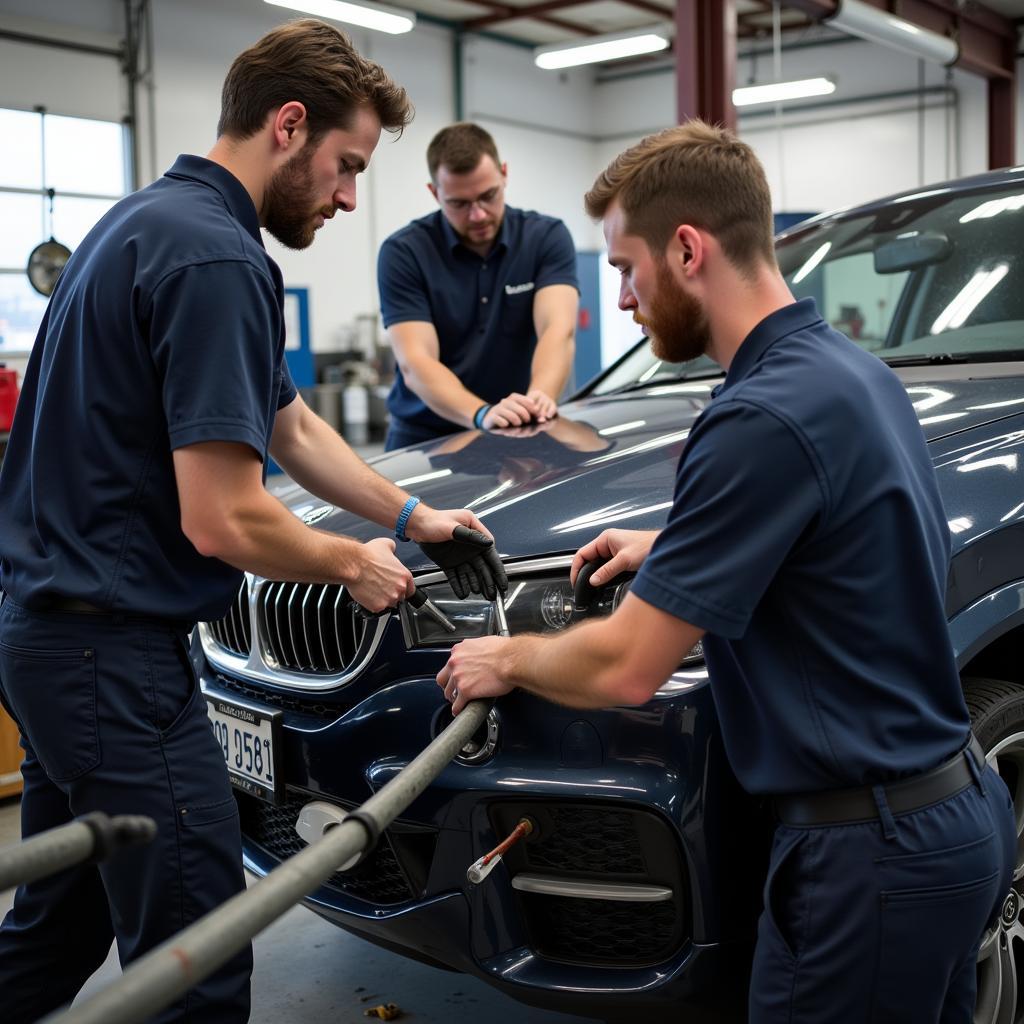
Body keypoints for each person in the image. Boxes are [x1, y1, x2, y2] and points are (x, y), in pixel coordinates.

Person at [436, 121, 1017, 1022]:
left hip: (866, 857)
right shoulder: (854, 375)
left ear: (688, 248)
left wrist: (505, 661)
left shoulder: (757, 416)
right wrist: (674, 551)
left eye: (626, 269)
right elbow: (853, 553)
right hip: (953, 817)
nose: (621, 301)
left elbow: (629, 666)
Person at [0, 20, 501, 1024]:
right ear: (287, 126)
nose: (350, 196)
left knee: (58, 930)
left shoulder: (147, 222)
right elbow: (223, 517)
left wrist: (412, 514)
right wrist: (348, 563)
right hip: (113, 662)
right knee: (201, 956)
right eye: (347, 166)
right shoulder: (219, 261)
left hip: (50, 644)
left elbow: (292, 425)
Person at [377, 122, 580, 450]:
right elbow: (416, 361)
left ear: (504, 174)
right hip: (426, 440)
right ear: (434, 192)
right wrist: (482, 414)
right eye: (459, 203)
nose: (478, 215)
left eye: (488, 196)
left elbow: (558, 330)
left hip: (521, 426)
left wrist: (538, 400)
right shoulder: (404, 253)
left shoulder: (545, 237)